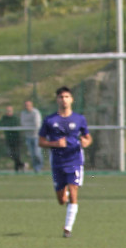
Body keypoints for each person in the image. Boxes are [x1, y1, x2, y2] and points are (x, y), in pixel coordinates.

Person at [39, 86, 92, 238]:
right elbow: (41, 141)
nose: (64, 100)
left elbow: (88, 137)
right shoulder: (50, 120)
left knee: (74, 194)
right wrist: (55, 144)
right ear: (57, 100)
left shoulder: (79, 119)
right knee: (62, 200)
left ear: (72, 99)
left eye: (67, 97)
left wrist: (86, 142)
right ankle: (65, 195)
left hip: (75, 160)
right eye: (61, 97)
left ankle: (67, 228)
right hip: (57, 162)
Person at [0, 106, 24, 172]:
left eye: (10, 111)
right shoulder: (4, 118)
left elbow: (18, 127)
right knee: (10, 153)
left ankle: (17, 168)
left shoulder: (15, 118)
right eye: (7, 111)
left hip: (16, 139)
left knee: (17, 154)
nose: (8, 112)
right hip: (8, 139)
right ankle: (21, 164)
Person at [20, 100, 44, 173]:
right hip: (28, 136)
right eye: (26, 105)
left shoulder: (35, 112)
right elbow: (22, 123)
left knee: (37, 153)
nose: (27, 107)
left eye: (29, 105)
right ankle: (36, 169)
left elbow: (37, 124)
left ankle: (39, 167)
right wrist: (29, 126)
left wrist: (28, 125)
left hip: (36, 136)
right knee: (32, 154)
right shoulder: (23, 113)